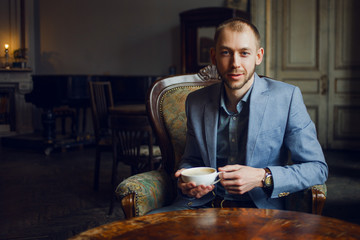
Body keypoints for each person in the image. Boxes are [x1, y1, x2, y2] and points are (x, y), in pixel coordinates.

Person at [149, 17, 328, 214]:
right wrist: (186, 180)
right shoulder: (196, 102)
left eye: (244, 53)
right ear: (214, 56)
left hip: (260, 212)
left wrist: (263, 177)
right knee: (139, 230)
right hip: (201, 208)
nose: (235, 63)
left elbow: (317, 168)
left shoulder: (287, 97)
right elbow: (191, 159)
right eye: (226, 52)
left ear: (258, 56)